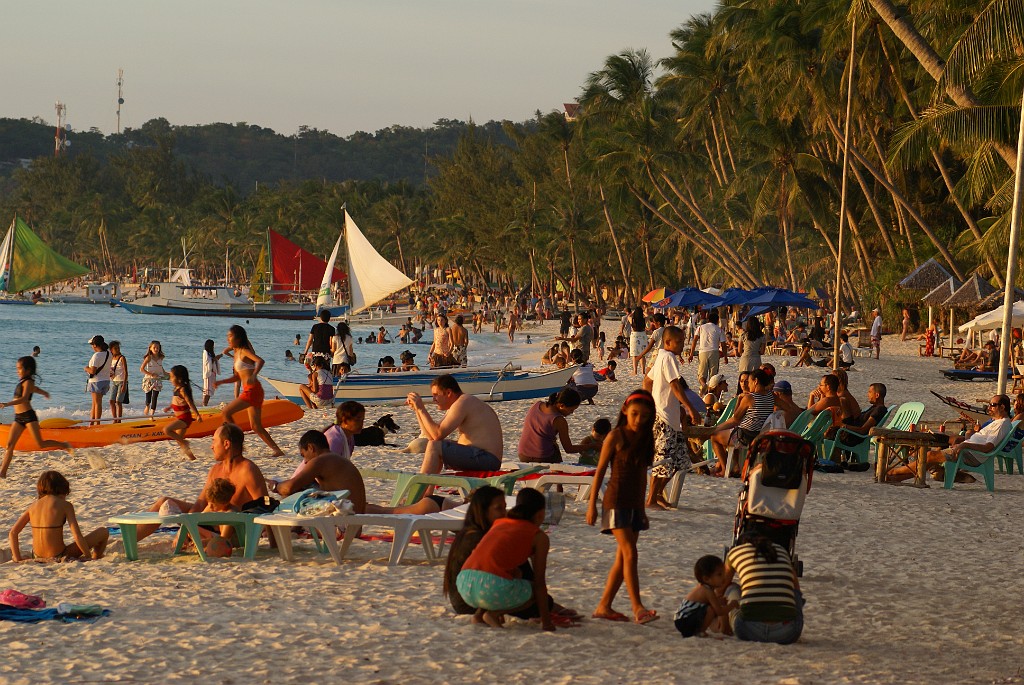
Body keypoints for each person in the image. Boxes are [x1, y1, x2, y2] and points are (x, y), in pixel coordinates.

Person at [586, 390, 658, 625]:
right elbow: (600, 471)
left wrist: (644, 505)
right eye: (635, 414)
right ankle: (638, 607)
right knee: (630, 553)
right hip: (615, 501)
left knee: (622, 558)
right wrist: (592, 505)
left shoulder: (646, 438)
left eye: (645, 416)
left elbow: (642, 475)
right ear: (625, 411)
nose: (639, 420)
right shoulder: (616, 436)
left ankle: (604, 606)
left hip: (635, 503)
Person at [136, 423, 270, 542]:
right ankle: (130, 541)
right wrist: (190, 522)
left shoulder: (248, 470)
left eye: (214, 441)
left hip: (230, 526)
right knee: (163, 502)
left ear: (226, 444)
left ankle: (192, 532)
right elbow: (201, 502)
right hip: (210, 518)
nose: (212, 447)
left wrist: (271, 539)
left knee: (222, 513)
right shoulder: (216, 469)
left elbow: (265, 504)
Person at [456, 488, 555, 630]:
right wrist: (547, 623)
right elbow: (539, 583)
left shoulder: (500, 523)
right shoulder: (539, 537)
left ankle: (478, 615)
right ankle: (493, 614)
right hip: (489, 587)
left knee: (515, 575)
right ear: (540, 515)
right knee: (533, 590)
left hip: (464, 583)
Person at [887, 394, 1013, 483]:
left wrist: (964, 445)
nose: (989, 408)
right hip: (968, 451)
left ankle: (893, 472)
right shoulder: (995, 422)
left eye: (992, 405)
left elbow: (988, 447)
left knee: (930, 455)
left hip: (972, 455)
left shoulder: (1002, 424)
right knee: (931, 460)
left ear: (1002, 407)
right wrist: (968, 437)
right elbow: (982, 440)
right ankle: (897, 478)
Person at [644, 326, 701, 508]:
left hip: (670, 417)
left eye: (683, 342)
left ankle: (658, 494)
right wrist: (691, 409)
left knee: (679, 461)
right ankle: (651, 498)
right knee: (664, 458)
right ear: (667, 342)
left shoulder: (662, 356)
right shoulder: (668, 357)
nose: (681, 345)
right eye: (679, 342)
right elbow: (675, 386)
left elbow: (647, 380)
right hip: (664, 417)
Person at [407, 375, 503, 477]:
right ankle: (427, 492)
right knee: (435, 445)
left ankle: (421, 488)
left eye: (436, 395)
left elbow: (437, 434)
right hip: (482, 456)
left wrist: (422, 409)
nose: (434, 399)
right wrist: (417, 410)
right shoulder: (460, 403)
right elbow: (431, 436)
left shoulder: (463, 402)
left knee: (435, 447)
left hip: (487, 459)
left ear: (448, 393)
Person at [215, 324, 285, 457]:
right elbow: (237, 376)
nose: (228, 338)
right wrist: (221, 382)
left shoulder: (244, 351)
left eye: (230, 336)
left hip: (252, 390)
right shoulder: (236, 354)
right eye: (227, 336)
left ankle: (237, 444)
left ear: (238, 337)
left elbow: (260, 361)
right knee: (256, 426)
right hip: (252, 390)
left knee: (226, 412)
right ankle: (277, 450)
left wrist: (254, 375)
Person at [8, 470, 108, 562]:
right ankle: (96, 557)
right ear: (62, 488)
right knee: (103, 532)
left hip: (36, 556)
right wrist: (87, 556)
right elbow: (77, 535)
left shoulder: (33, 506)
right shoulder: (65, 505)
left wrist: (17, 558)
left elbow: (13, 532)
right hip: (58, 556)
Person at [723, 532, 803, 644]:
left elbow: (722, 584)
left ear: (741, 544)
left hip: (747, 629)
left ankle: (725, 629)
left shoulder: (735, 552)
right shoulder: (780, 550)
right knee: (794, 592)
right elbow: (796, 589)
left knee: (730, 588)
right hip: (788, 633)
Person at [1, 357, 72, 479]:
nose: (17, 371)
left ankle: (64, 445)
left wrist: (7, 404)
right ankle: (2, 473)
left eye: (19, 368)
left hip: (29, 416)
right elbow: (35, 389)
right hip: (18, 418)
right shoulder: (24, 382)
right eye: (17, 368)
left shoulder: (28, 381)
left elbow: (23, 399)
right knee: (9, 445)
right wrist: (44, 393)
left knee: (40, 444)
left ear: (28, 370)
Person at [267, 430, 367, 513]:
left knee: (289, 498)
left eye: (303, 455)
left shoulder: (320, 461)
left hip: (342, 522)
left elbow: (289, 488)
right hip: (354, 521)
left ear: (311, 447)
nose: (305, 461)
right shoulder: (336, 459)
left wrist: (275, 486)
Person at [709, 369, 776, 476]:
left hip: (745, 437)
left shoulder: (750, 398)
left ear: (756, 381)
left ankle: (724, 469)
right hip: (759, 436)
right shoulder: (770, 396)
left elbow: (735, 419)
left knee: (715, 437)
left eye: (749, 382)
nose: (748, 385)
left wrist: (717, 428)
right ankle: (731, 466)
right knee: (729, 433)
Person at [517, 388, 586, 463]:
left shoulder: (536, 405)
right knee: (554, 446)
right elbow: (568, 449)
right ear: (561, 405)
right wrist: (591, 446)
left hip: (523, 454)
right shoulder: (559, 420)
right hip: (543, 457)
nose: (572, 413)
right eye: (571, 410)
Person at [674, 555, 737, 638]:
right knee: (710, 609)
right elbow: (719, 611)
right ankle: (700, 631)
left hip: (681, 619)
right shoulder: (707, 591)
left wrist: (719, 601)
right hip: (685, 621)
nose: (724, 577)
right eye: (719, 574)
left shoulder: (704, 587)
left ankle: (722, 628)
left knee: (714, 606)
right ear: (706, 579)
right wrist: (732, 604)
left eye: (723, 573)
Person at [833, 383, 888, 459]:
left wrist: (843, 426)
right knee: (842, 402)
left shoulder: (879, 410)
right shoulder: (874, 408)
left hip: (853, 436)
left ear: (877, 395)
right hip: (850, 432)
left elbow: (863, 430)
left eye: (869, 392)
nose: (867, 395)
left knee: (828, 432)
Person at [163, 365, 202, 461]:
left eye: (172, 377)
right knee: (179, 440)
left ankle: (185, 442)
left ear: (179, 379)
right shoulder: (177, 388)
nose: (170, 379)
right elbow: (177, 401)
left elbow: (189, 402)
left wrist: (197, 414)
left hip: (185, 418)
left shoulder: (182, 389)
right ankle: (192, 458)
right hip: (180, 418)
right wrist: (169, 407)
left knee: (166, 430)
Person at [688, 310, 729, 390]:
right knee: (713, 376)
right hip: (714, 352)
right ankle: (710, 390)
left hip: (702, 352)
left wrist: (691, 354)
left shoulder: (701, 328)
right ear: (717, 321)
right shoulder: (719, 329)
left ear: (708, 319)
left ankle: (704, 385)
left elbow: (695, 341)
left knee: (701, 375)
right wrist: (725, 357)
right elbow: (723, 345)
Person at [84, 334, 112, 423]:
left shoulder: (96, 356)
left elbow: (92, 371)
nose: (92, 347)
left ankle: (97, 423)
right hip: (106, 380)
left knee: (96, 403)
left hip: (96, 381)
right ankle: (92, 422)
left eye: (92, 345)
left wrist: (86, 368)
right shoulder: (109, 353)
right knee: (96, 403)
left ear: (95, 345)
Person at [140, 340, 166, 418]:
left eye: (157, 347)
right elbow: (141, 369)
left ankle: (152, 415)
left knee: (155, 397)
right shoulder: (148, 358)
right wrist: (151, 374)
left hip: (157, 380)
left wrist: (169, 375)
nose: (156, 349)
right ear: (150, 348)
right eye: (154, 347)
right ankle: (147, 406)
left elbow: (161, 368)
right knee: (148, 397)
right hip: (148, 379)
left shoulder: (161, 358)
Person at [109, 340, 128, 422]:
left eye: (118, 348)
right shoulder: (111, 358)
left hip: (121, 381)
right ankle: (114, 418)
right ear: (111, 350)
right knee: (111, 401)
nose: (117, 349)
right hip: (114, 381)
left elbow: (126, 372)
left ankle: (119, 420)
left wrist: (124, 384)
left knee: (118, 402)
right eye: (115, 348)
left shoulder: (122, 358)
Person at [628, 307, 648, 374]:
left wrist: (633, 312)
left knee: (634, 354)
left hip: (634, 336)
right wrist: (643, 312)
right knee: (642, 354)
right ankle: (643, 371)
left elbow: (629, 316)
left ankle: (635, 371)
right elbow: (647, 315)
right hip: (642, 335)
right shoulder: (643, 320)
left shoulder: (632, 320)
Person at [202, 339, 222, 406]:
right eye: (212, 345)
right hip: (208, 374)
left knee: (210, 389)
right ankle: (204, 404)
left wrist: (216, 358)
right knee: (207, 390)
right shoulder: (205, 353)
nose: (213, 347)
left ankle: (205, 404)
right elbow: (207, 362)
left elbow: (212, 361)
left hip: (212, 373)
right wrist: (216, 358)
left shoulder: (210, 353)